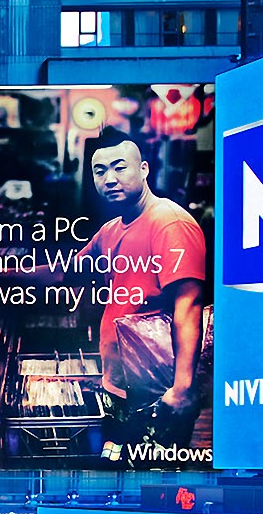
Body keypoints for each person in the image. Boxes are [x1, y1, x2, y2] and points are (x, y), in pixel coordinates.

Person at [74, 126, 208, 465]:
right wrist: (2, 268)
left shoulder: (169, 222)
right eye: (100, 170)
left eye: (120, 167)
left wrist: (182, 389)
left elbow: (188, 306)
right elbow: (70, 270)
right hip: (119, 390)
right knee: (117, 479)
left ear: (144, 169)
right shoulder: (111, 230)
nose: (110, 178)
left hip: (156, 396)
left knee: (152, 484)